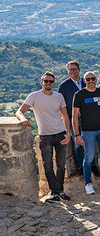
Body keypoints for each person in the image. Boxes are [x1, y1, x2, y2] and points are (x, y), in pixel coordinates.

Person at [16, 72, 72, 202]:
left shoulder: (59, 96)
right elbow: (19, 111)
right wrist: (23, 118)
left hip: (60, 134)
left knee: (61, 164)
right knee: (47, 165)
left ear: (53, 83)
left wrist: (68, 133)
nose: (48, 83)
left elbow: (65, 116)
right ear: (41, 82)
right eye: (45, 81)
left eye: (50, 81)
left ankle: (60, 190)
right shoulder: (34, 96)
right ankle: (55, 191)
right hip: (45, 136)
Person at [73, 71, 100, 194]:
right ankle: (88, 183)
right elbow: (75, 116)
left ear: (96, 79)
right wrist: (77, 134)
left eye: (93, 78)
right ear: (84, 81)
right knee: (89, 157)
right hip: (87, 132)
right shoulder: (79, 94)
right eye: (88, 79)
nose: (91, 81)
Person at [58, 60, 85, 173]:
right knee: (77, 143)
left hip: (87, 118)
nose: (73, 71)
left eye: (75, 69)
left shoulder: (86, 81)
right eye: (70, 69)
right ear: (68, 72)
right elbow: (60, 105)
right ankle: (79, 167)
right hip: (72, 119)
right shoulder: (64, 86)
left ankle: (91, 165)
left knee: (89, 142)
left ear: (79, 70)